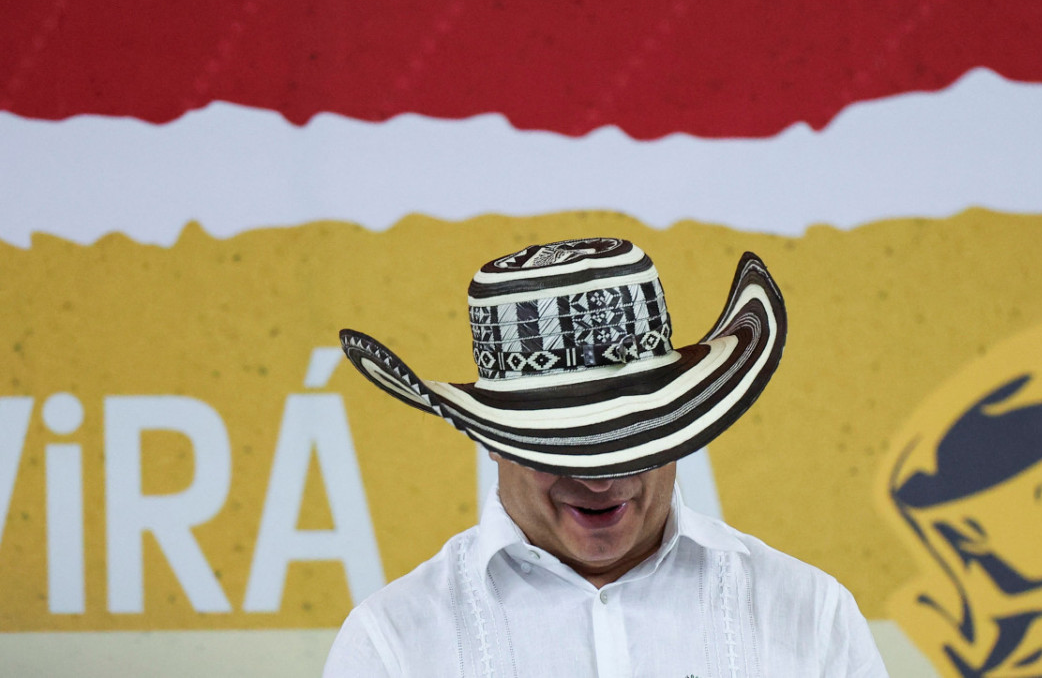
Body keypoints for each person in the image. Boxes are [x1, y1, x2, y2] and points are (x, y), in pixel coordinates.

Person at [326, 237, 888, 677]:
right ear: (491, 440)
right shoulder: (392, 642)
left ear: (677, 431)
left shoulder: (809, 613)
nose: (600, 482)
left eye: (628, 442)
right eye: (562, 447)